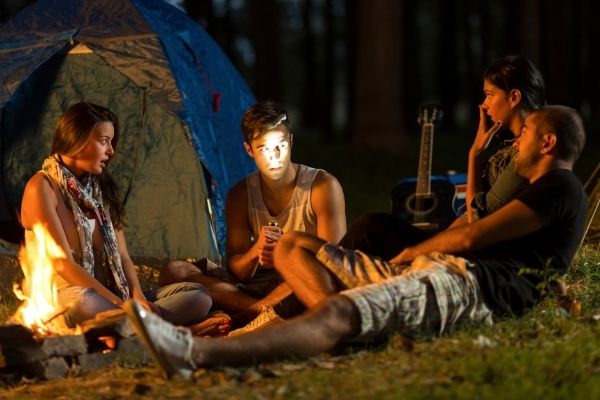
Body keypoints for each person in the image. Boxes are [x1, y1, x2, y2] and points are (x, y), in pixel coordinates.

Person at [126, 105, 586, 379]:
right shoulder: (542, 190)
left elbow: (473, 234)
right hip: (446, 271)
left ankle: (196, 354)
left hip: (467, 283)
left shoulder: (560, 188)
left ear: (546, 143)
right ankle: (328, 322)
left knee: (342, 310)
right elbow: (477, 227)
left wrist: (411, 252)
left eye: (523, 134)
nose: (515, 140)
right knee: (293, 247)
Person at [20, 102, 225, 336]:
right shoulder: (42, 187)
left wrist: (136, 296)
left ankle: (132, 328)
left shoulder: (99, 191)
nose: (111, 151)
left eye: (111, 142)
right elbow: (62, 264)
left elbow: (123, 256)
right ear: (77, 140)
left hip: (112, 296)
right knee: (86, 302)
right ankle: (169, 332)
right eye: (104, 141)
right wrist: (122, 305)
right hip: (67, 297)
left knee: (198, 296)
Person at [159, 100, 346, 328]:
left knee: (315, 278)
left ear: (291, 142)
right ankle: (266, 310)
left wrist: (288, 252)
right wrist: (255, 252)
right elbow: (237, 270)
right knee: (175, 271)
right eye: (263, 149)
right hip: (256, 287)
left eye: (280, 146)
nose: (274, 157)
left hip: (302, 279)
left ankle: (250, 312)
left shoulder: (322, 186)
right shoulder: (241, 195)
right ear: (249, 150)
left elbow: (333, 261)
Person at [340, 55, 546, 260]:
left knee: (370, 228)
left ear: (514, 97)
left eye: (490, 95)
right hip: (454, 238)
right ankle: (328, 266)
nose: (484, 105)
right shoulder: (509, 144)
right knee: (373, 226)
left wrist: (474, 154)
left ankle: (326, 267)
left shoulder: (526, 154)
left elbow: (477, 217)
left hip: (475, 252)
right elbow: (470, 214)